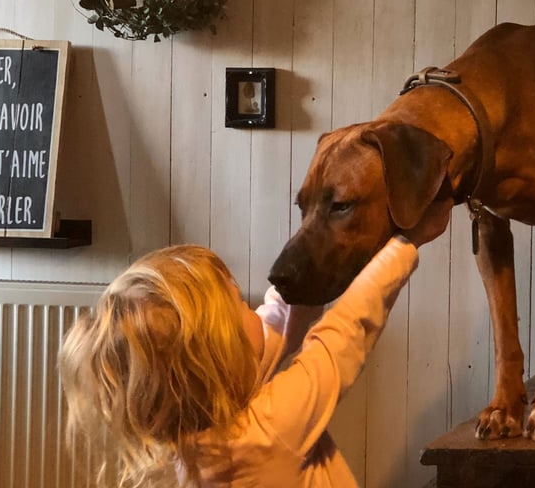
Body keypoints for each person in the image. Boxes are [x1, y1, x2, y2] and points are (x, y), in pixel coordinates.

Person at [60, 199, 452, 488]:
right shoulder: (272, 427)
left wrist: (309, 260)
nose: (254, 307)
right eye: (239, 304)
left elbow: (275, 322)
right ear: (221, 354)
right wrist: (406, 242)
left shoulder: (206, 430)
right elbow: (345, 331)